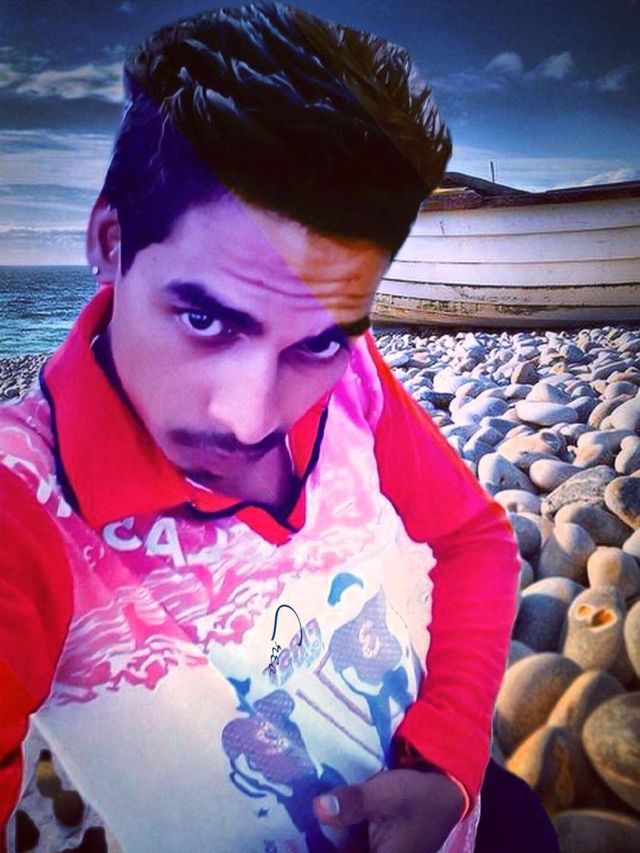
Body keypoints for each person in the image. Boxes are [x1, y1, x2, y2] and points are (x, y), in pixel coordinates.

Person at [0, 4, 533, 851]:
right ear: (109, 239)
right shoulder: (23, 509)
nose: (251, 418)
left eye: (314, 340)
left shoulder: (352, 376)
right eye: (207, 320)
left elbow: (475, 539)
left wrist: (450, 761)